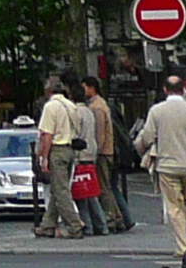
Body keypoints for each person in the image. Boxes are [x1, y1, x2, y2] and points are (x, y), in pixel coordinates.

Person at [138, 74, 186, 256]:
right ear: (183, 89)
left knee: (174, 206)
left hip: (167, 165)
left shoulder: (157, 111)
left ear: (165, 90)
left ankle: (183, 246)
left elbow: (147, 137)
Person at [34, 73, 85, 239]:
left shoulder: (51, 107)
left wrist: (44, 157)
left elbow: (47, 135)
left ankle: (75, 225)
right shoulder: (71, 106)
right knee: (59, 189)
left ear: (48, 91)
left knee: (61, 191)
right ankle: (47, 225)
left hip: (57, 149)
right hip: (69, 149)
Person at [82, 78, 132, 233]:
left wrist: (95, 154)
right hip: (109, 152)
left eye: (85, 88)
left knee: (105, 188)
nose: (84, 91)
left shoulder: (96, 107)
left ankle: (113, 218)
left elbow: (99, 135)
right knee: (111, 187)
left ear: (92, 88)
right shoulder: (101, 104)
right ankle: (122, 218)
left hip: (103, 153)